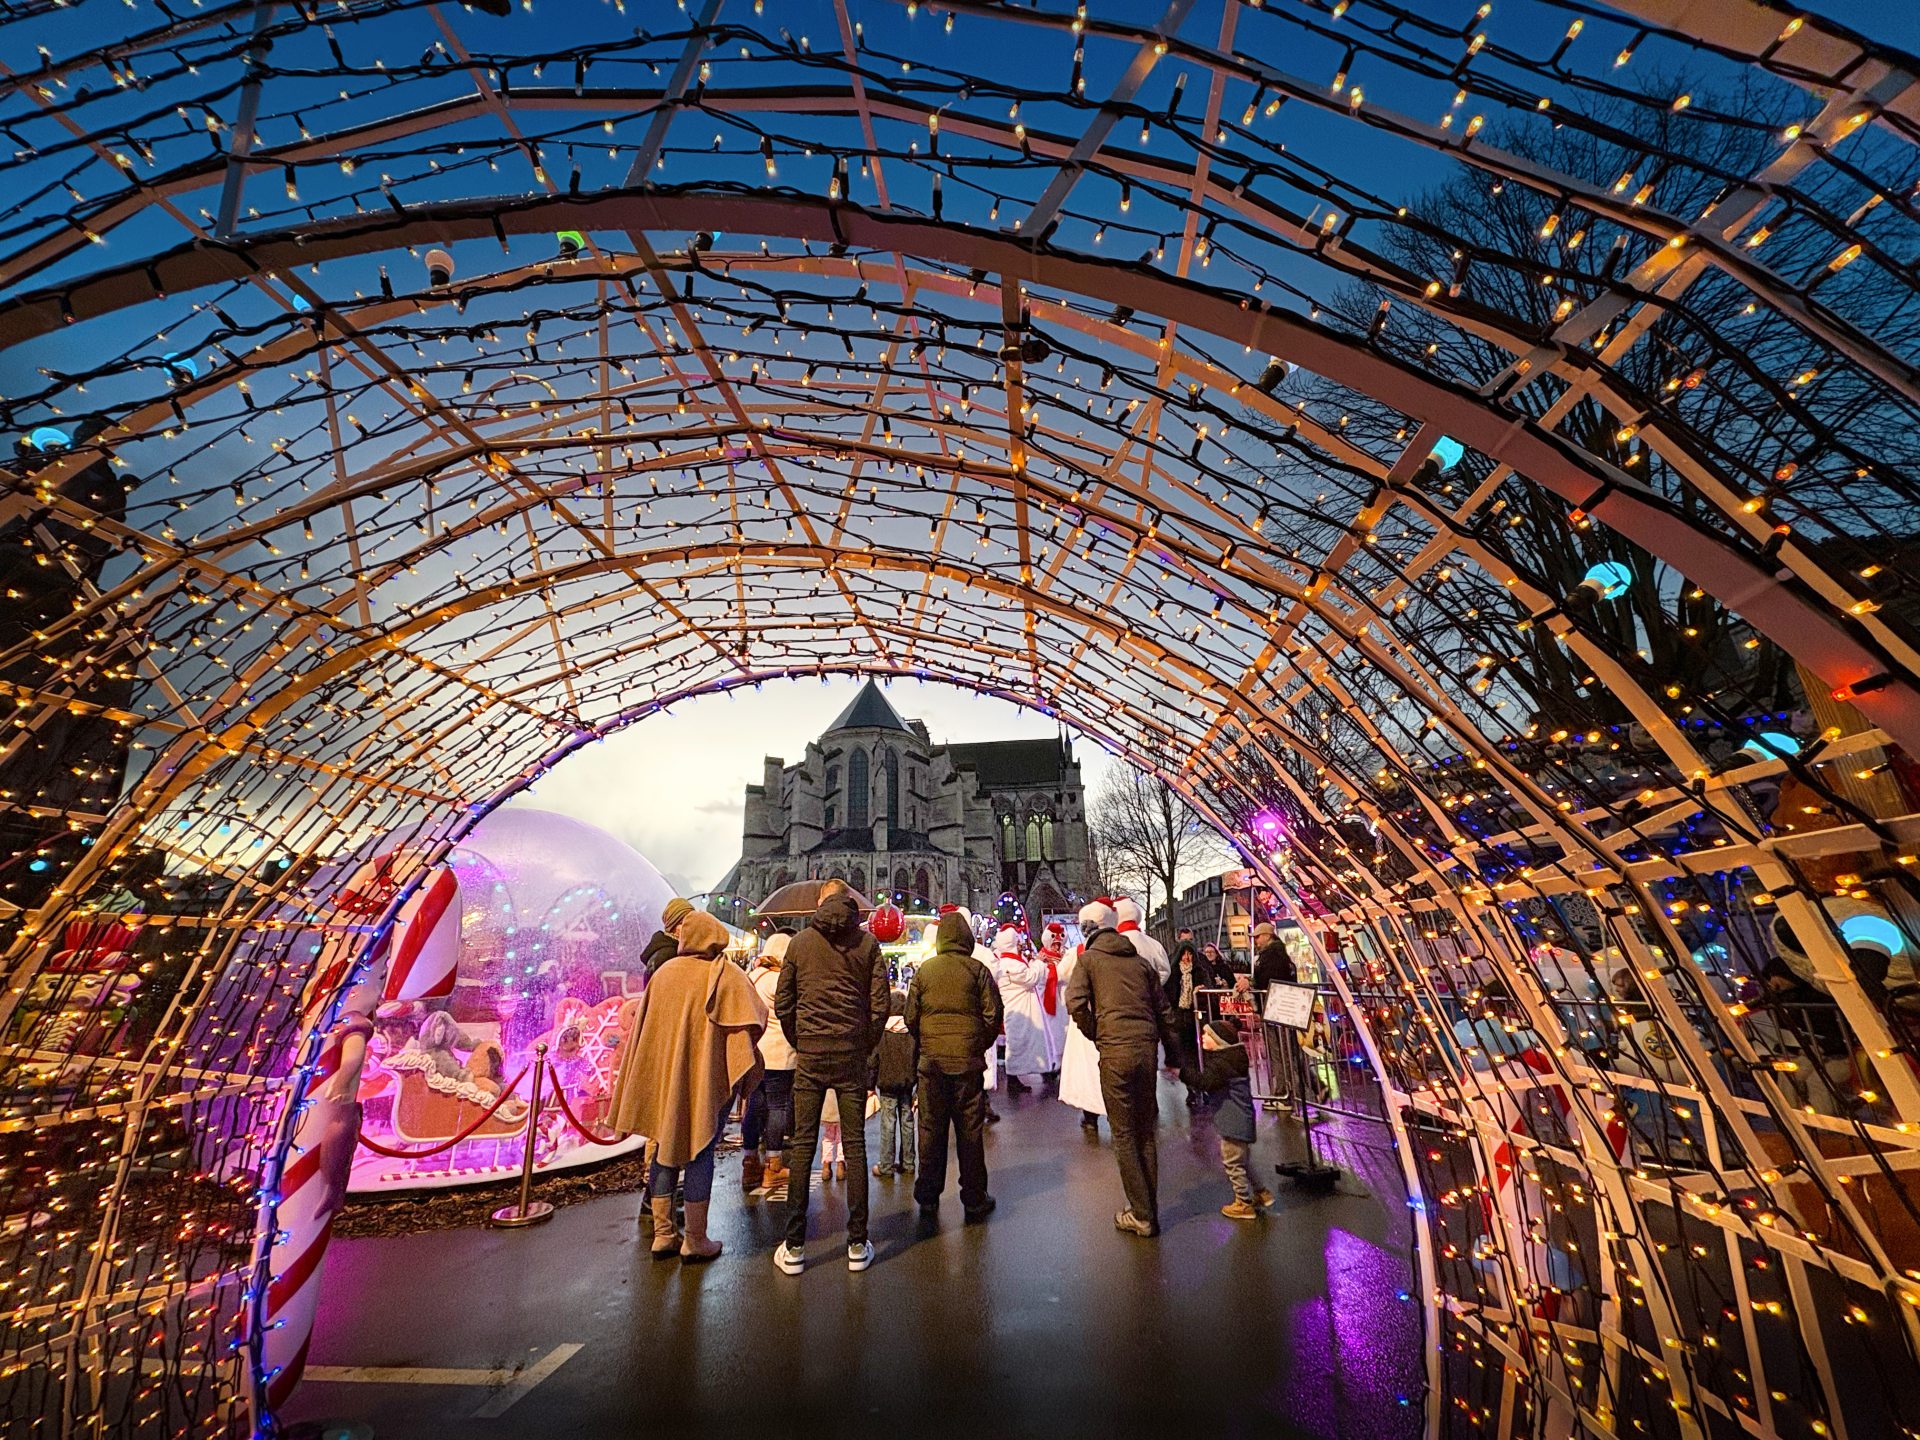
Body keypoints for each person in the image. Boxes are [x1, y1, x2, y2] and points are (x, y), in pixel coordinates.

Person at [609, 911, 765, 1262]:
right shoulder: (726, 975)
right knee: (700, 1150)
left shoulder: (663, 975)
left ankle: (663, 1234)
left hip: (663, 1078)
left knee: (664, 1146)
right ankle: (695, 1239)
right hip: (707, 1080)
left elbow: (644, 1033)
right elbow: (754, 1022)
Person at [773, 882, 890, 1275]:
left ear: (820, 903)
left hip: (810, 1053)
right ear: (850, 902)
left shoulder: (800, 942)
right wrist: (863, 1043)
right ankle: (857, 1244)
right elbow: (880, 1006)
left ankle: (794, 1248)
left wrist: (802, 1039)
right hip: (850, 1054)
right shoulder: (868, 944)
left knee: (804, 1145)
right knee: (855, 1146)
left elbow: (784, 1003)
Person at [1066, 907, 1183, 1238]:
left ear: (1090, 930)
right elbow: (1164, 1013)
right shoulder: (1141, 964)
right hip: (1145, 1049)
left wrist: (1097, 1032)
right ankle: (1148, 1208)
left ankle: (1141, 1214)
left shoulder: (1088, 961)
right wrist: (1173, 1056)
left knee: (1124, 1133)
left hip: (1115, 1051)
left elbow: (1074, 1002)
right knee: (1145, 1130)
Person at [905, 909, 1003, 1221]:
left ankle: (929, 1196)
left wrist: (927, 1041)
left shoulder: (924, 971)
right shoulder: (978, 970)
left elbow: (911, 1017)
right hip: (967, 1065)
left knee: (931, 1130)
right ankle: (974, 1198)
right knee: (970, 1133)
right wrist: (978, 1044)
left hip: (932, 1065)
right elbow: (993, 1014)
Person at [1182, 1020, 1274, 1219]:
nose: (1202, 1037)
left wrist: (1184, 1072)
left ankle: (1243, 1202)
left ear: (1219, 1041)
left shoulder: (1222, 1064)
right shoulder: (1231, 1058)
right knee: (1244, 1161)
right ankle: (1262, 1192)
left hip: (1233, 1121)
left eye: (1207, 1035)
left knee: (1232, 1162)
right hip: (1240, 1119)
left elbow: (1204, 1082)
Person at [1058, 899, 1116, 1132]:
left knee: (1087, 1068)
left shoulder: (1077, 952)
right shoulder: (1123, 948)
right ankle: (1115, 1112)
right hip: (1111, 1015)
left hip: (1088, 1019)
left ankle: (1090, 1114)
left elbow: (1062, 975)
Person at [744, 933, 794, 1200]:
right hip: (779, 1054)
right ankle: (773, 1165)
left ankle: (749, 1161)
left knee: (755, 1105)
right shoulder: (780, 979)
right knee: (778, 1106)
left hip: (754, 1053)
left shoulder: (752, 977)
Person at [993, 926, 1055, 1094]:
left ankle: (1037, 1069)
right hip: (1018, 1009)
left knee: (1025, 1042)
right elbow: (1030, 978)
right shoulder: (1009, 964)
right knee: (1017, 1043)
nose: (1020, 944)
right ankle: (1014, 1077)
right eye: (1017, 941)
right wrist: (1039, 962)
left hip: (1023, 1008)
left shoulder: (1012, 961)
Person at [871, 989, 917, 1177]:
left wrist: (869, 1085)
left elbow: (873, 1060)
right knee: (907, 1122)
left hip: (887, 1085)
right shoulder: (911, 1032)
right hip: (907, 1085)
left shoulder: (882, 1032)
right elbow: (918, 1058)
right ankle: (909, 1163)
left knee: (888, 1125)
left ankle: (886, 1166)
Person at [1037, 922, 1070, 1084]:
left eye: (1059, 943)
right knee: (1050, 1030)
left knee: (1063, 1029)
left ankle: (1063, 1062)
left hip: (1063, 998)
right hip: (1048, 999)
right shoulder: (1042, 956)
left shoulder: (1067, 955)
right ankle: (1050, 1064)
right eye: (1054, 943)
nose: (1057, 947)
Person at [1114, 897, 1170, 984]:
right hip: (1148, 995)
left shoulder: (1110, 944)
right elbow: (1165, 971)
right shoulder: (1154, 944)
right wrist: (1151, 988)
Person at [641, 896, 695, 977]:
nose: (687, 926)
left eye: (690, 922)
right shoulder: (668, 955)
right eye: (681, 923)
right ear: (671, 926)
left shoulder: (679, 949)